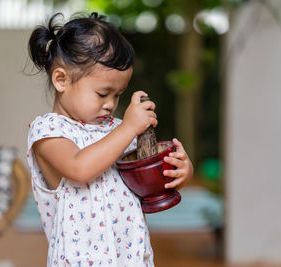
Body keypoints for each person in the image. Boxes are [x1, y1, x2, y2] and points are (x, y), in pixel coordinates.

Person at [26, 12, 193, 267]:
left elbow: (148, 178)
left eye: (118, 95)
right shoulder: (48, 131)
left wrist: (180, 170)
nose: (111, 105)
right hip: (80, 260)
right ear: (61, 79)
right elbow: (79, 168)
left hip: (131, 257)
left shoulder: (116, 129)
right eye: (102, 93)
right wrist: (127, 128)